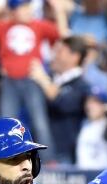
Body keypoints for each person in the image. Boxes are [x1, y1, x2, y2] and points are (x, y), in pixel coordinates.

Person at [0, 0, 69, 159]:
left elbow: (63, 35)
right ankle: (5, 158)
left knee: (40, 122)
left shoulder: (38, 25)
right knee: (6, 122)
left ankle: (49, 161)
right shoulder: (4, 26)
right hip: (9, 81)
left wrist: (59, 11)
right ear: (13, 11)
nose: (27, 11)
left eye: (28, 7)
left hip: (32, 79)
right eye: (22, 8)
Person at [30, 35, 91, 164]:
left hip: (63, 155)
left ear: (75, 57)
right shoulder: (51, 79)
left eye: (59, 51)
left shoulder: (82, 85)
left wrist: (43, 80)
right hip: (38, 152)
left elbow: (62, 103)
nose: (54, 55)